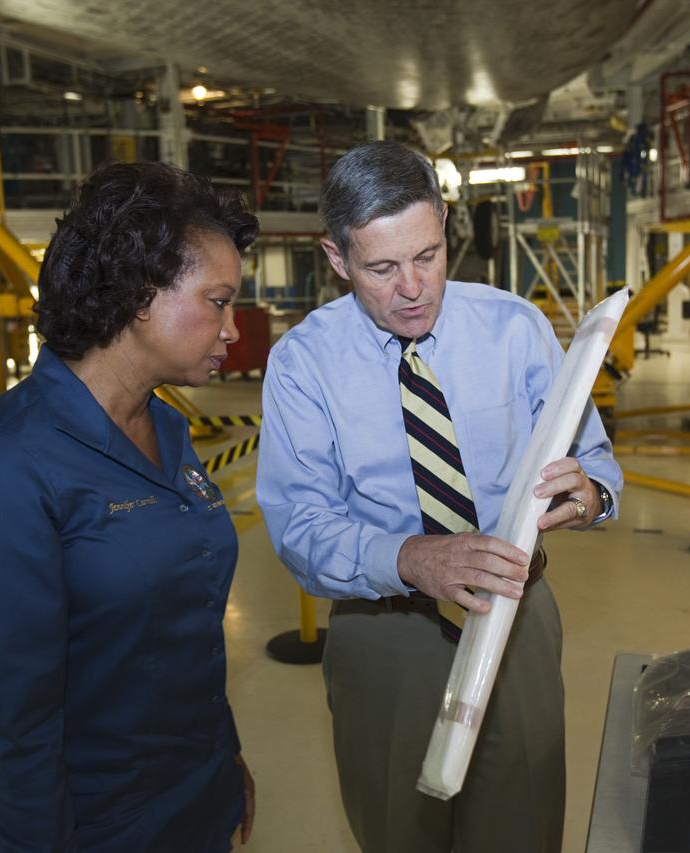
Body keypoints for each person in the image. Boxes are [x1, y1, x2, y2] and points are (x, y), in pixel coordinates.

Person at [256, 140, 622, 853]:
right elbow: (300, 526)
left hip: (518, 614)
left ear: (445, 227)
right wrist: (413, 557)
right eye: (383, 268)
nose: (413, 287)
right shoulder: (304, 364)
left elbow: (597, 461)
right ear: (337, 259)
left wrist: (593, 495)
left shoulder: (516, 329)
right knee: (399, 825)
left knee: (525, 815)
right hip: (384, 629)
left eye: (427, 255)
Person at [0, 161, 259, 852]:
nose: (232, 330)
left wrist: (224, 762)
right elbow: (11, 716)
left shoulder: (166, 429)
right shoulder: (2, 462)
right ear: (141, 296)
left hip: (197, 798)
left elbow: (185, 626)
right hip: (95, 825)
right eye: (218, 300)